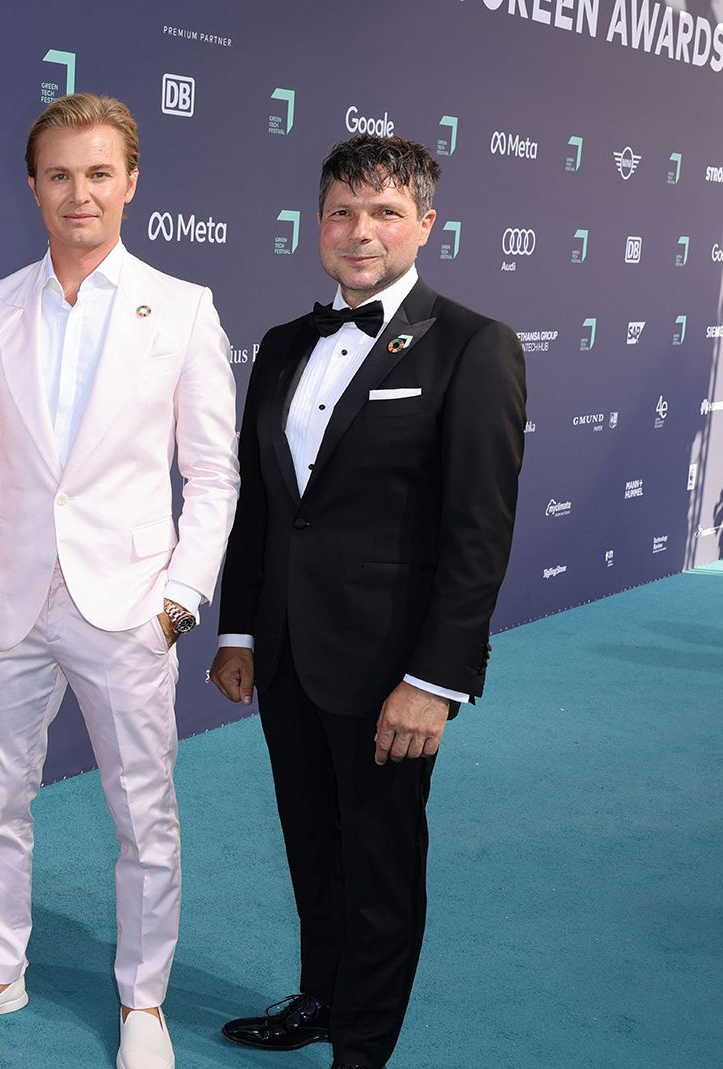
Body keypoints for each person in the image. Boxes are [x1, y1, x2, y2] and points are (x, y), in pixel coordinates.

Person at [0, 92, 240, 1069]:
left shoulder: (181, 309)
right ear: (32, 185)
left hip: (129, 604)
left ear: (131, 182)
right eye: (59, 174)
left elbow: (213, 472)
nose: (79, 193)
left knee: (145, 814)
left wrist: (180, 598)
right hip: (6, 598)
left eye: (98, 173)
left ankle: (144, 1000)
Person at [208, 134, 525, 1069]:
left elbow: (479, 532)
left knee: (380, 861)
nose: (360, 231)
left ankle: (362, 1049)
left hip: (392, 666)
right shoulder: (283, 345)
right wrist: (239, 628)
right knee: (312, 841)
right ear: (317, 225)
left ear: (426, 224)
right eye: (342, 212)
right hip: (287, 651)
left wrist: (435, 681)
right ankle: (322, 996)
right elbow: (263, 507)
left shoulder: (473, 345)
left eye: (385, 212)